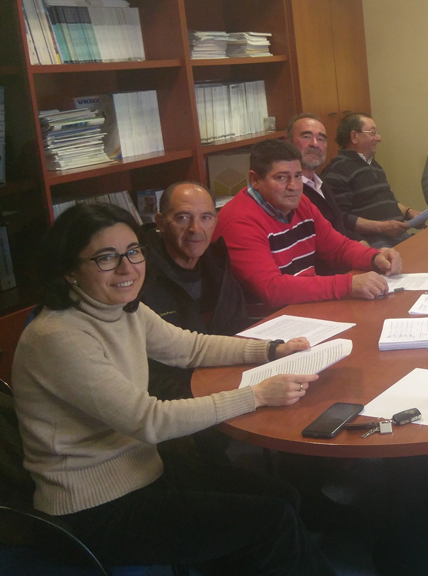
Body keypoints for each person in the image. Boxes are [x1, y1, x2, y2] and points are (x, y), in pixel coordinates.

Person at [11, 203, 336, 575]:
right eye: (106, 257)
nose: (127, 268)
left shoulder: (120, 308)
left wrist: (271, 349)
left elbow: (190, 347)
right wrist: (257, 395)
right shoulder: (58, 337)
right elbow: (150, 421)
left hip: (142, 469)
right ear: (69, 270)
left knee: (281, 496)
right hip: (93, 506)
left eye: (134, 251)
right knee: (271, 520)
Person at [214, 139, 402, 309]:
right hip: (267, 324)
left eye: (297, 176)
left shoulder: (300, 203)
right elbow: (272, 289)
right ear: (255, 180)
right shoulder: (239, 221)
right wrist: (348, 285)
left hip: (303, 308)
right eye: (281, 177)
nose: (293, 186)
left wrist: (375, 257)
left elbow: (338, 248)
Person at [142, 181, 249, 402]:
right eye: (183, 218)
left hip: (229, 383)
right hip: (179, 401)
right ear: (160, 222)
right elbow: (147, 372)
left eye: (206, 218)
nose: (195, 229)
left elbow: (240, 331)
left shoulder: (219, 267)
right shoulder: (139, 276)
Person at [321, 113, 423, 248]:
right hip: (372, 241)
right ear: (354, 136)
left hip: (397, 235)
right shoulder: (337, 170)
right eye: (372, 133)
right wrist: (382, 227)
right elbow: (341, 218)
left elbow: (388, 202)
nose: (379, 138)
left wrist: (410, 212)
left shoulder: (375, 166)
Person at [285, 113, 362, 242]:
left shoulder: (321, 183)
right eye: (306, 136)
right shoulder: (288, 192)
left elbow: (337, 228)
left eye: (321, 139)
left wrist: (360, 242)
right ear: (288, 142)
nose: (315, 144)